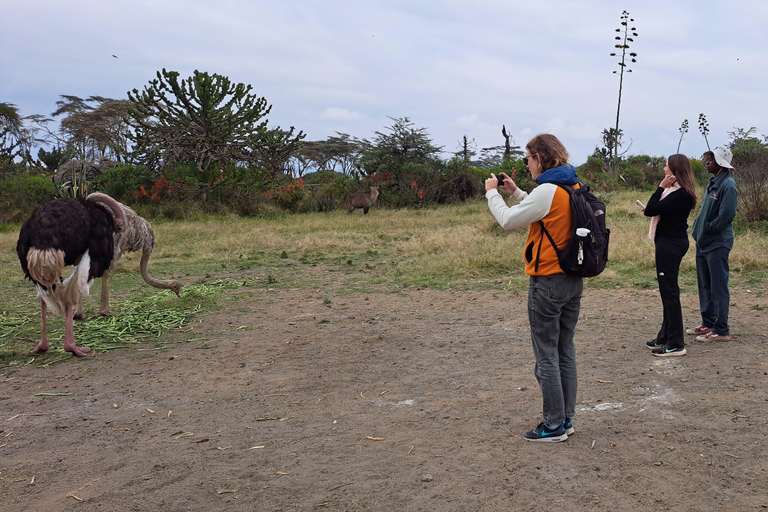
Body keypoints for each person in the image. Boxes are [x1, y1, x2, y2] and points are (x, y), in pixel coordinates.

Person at [485, 133, 582, 443]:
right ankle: (565, 418)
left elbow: (508, 221)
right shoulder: (570, 185)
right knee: (564, 350)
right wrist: (516, 192)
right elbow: (543, 211)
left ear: (539, 157)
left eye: (527, 159)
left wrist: (492, 195)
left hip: (547, 281)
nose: (526, 165)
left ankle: (552, 425)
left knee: (546, 355)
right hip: (572, 279)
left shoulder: (549, 189)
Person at [643, 154, 697, 357]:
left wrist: (660, 187)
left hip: (671, 245)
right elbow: (657, 209)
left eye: (667, 166)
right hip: (670, 242)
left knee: (670, 293)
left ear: (675, 170)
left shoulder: (679, 194)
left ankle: (676, 343)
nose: (664, 169)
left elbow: (650, 210)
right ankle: (665, 335)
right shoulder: (676, 193)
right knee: (667, 292)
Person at [687, 147, 738, 341]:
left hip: (717, 243)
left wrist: (708, 228)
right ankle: (708, 322)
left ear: (721, 163)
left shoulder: (728, 185)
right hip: (703, 243)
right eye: (708, 158)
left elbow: (727, 215)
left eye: (712, 159)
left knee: (718, 286)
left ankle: (721, 329)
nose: (707, 161)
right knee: (705, 285)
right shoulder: (713, 183)